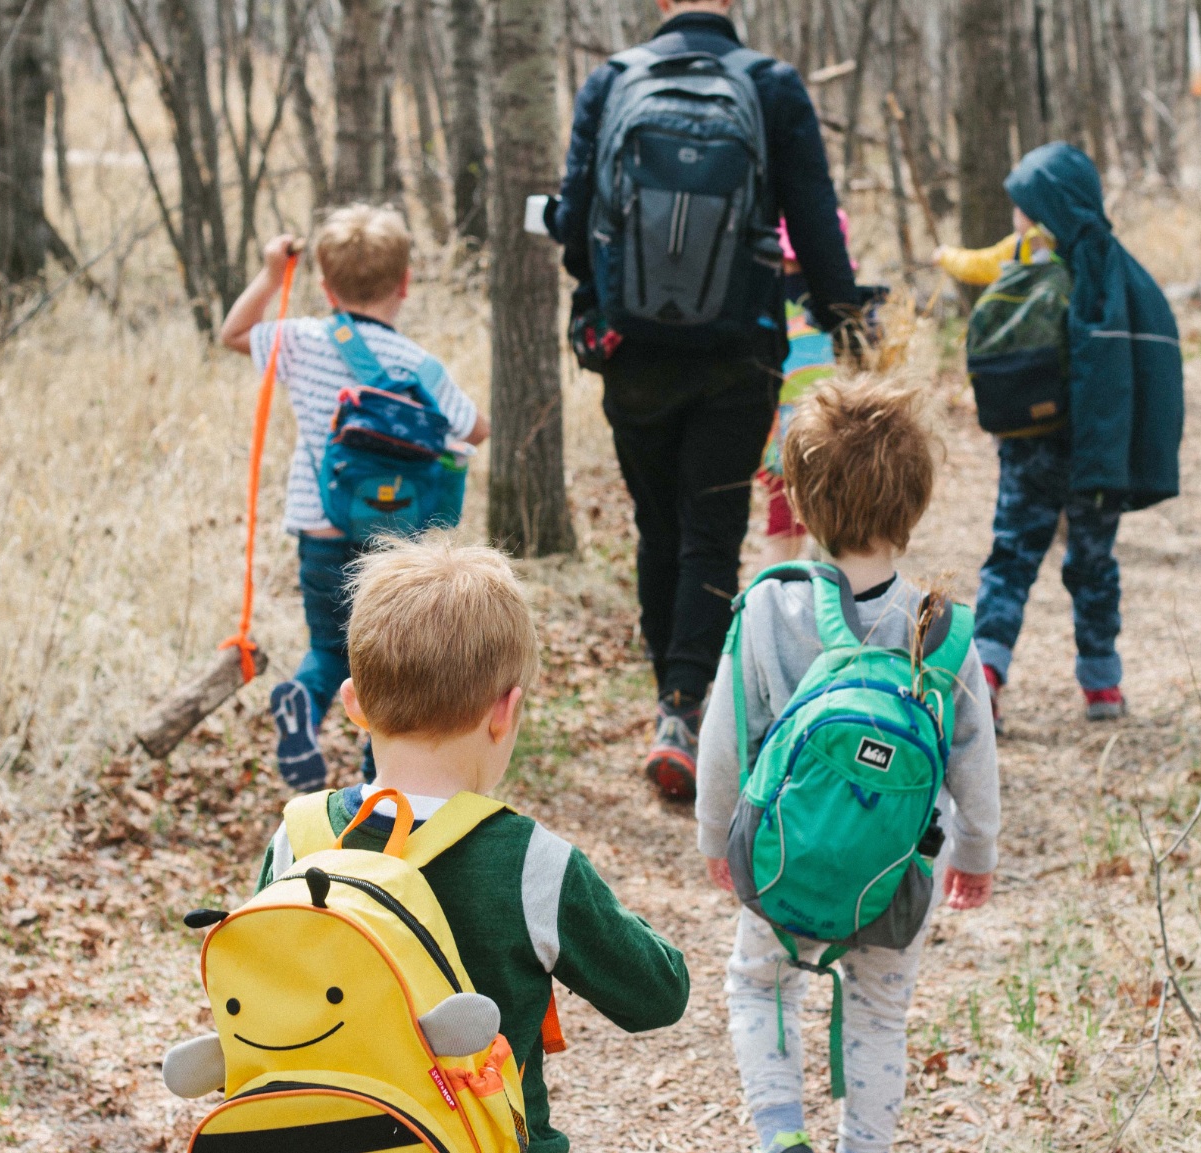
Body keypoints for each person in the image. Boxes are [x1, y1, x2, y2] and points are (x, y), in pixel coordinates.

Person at [253, 537, 692, 1153]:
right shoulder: (529, 862)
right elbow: (657, 996)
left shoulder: (296, 838)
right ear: (505, 712)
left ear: (353, 704)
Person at [551, 0, 863, 803]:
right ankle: (686, 709)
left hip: (633, 353)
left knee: (657, 525)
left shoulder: (611, 81)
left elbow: (574, 220)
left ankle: (672, 702)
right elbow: (813, 219)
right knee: (712, 531)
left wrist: (594, 304)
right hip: (737, 349)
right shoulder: (770, 85)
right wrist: (843, 317)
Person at [695, 380, 1001, 1153]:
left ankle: (778, 1132)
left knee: (759, 982)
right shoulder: (945, 630)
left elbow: (725, 738)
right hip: (895, 873)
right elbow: (973, 759)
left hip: (782, 857)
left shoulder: (768, 605)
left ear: (798, 500)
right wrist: (976, 852)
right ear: (918, 500)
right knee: (877, 1014)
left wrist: (713, 837)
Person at [220, 205, 490, 790]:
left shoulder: (301, 341)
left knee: (328, 646)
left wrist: (270, 275)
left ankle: (305, 700)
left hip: (320, 531)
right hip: (393, 544)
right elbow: (475, 429)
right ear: (405, 284)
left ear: (323, 285)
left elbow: (233, 334)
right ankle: (380, 780)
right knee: (393, 667)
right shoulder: (417, 364)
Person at [935, 144, 1183, 725]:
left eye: (1024, 205)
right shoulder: (1110, 272)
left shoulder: (1028, 263)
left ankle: (987, 678)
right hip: (1094, 453)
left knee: (1011, 559)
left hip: (1028, 448)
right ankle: (1102, 684)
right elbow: (1146, 367)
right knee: (1093, 564)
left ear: (1043, 209)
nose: (1017, 215)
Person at [753, 213, 847, 567]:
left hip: (786, 432)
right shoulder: (836, 306)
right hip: (820, 431)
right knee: (825, 525)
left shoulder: (766, 298)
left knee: (786, 527)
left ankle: (776, 601)